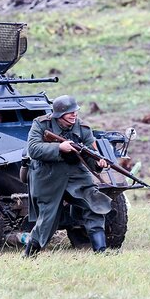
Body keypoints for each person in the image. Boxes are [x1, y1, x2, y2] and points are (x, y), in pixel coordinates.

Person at [22, 95, 112, 256]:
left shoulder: (83, 128)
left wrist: (98, 163)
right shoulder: (41, 124)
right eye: (69, 112)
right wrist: (59, 147)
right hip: (47, 175)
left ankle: (101, 251)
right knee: (48, 220)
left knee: (95, 203)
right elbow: (33, 149)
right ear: (58, 115)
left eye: (75, 111)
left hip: (76, 174)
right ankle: (29, 254)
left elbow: (90, 156)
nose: (74, 115)